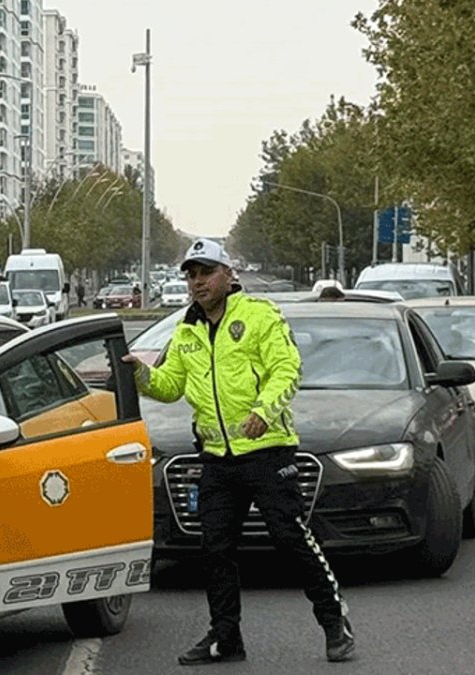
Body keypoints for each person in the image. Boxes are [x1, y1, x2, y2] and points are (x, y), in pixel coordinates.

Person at [123, 239, 355, 666]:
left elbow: (288, 368)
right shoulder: (187, 329)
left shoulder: (258, 315)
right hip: (216, 458)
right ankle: (225, 638)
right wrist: (140, 373)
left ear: (229, 275)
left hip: (267, 452)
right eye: (191, 275)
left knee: (290, 537)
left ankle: (334, 622)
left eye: (206, 273)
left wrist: (264, 412)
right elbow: (171, 386)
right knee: (214, 549)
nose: (197, 283)